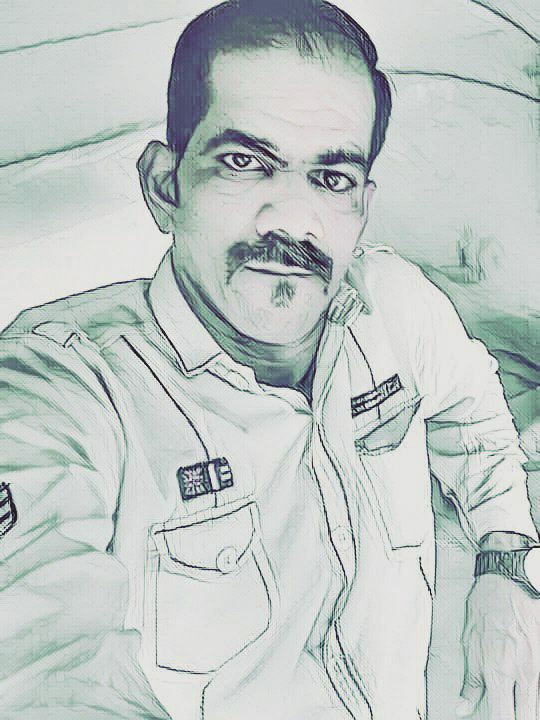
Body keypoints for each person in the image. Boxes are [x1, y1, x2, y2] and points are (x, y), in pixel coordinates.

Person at [1, 1, 539, 718]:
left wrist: (505, 564)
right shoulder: (62, 383)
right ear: (165, 186)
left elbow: (473, 416)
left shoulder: (394, 304)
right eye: (244, 162)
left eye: (332, 178)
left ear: (362, 204)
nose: (292, 218)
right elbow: (39, 654)